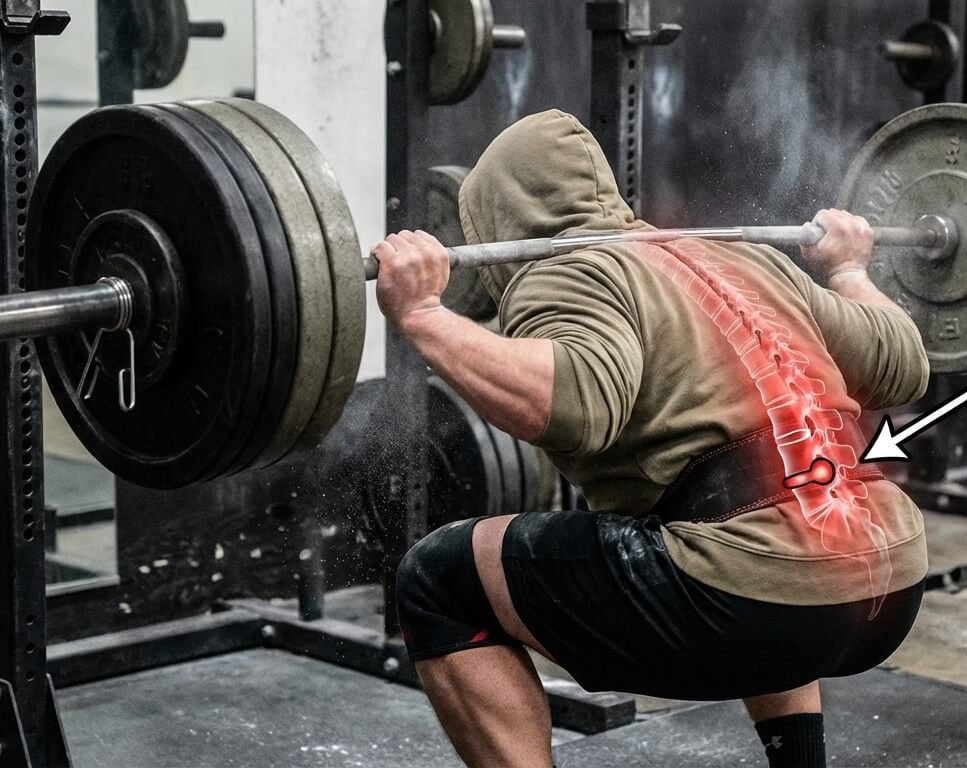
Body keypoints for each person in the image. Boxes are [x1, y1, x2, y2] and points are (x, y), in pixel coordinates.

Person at [372, 109, 930, 768]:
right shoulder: (743, 257)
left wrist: (422, 314)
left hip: (755, 606)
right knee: (765, 515)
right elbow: (903, 362)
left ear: (500, 221)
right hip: (889, 585)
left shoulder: (567, 268)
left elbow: (577, 405)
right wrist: (849, 268)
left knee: (438, 577)